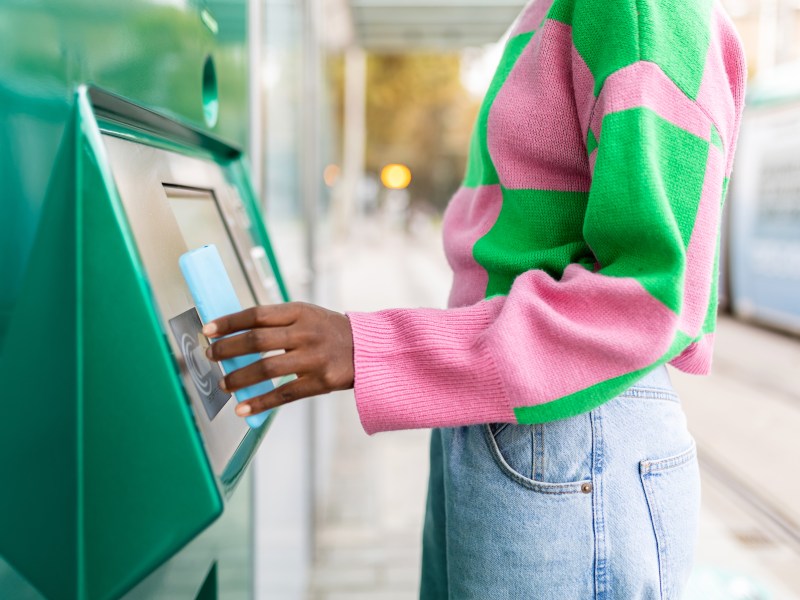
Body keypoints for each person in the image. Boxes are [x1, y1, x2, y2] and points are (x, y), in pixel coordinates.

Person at [203, 0, 745, 596]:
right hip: (514, 419)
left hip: (571, 429)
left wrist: (374, 348)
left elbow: (649, 301)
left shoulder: (637, 8)